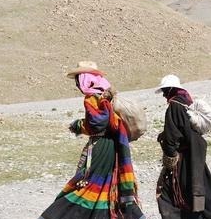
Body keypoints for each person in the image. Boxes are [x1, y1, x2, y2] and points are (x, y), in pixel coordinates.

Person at [39, 61, 145, 219]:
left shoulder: (91, 97)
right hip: (112, 146)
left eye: (78, 80)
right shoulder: (106, 95)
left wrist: (79, 125)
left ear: (84, 79)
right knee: (106, 185)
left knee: (86, 185)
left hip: (101, 148)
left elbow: (97, 123)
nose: (77, 84)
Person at [155, 74, 211, 219]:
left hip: (184, 155)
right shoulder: (186, 103)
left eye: (164, 91)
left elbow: (172, 134)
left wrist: (170, 156)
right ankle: (207, 212)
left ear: (170, 90)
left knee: (173, 189)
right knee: (198, 182)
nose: (163, 94)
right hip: (196, 152)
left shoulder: (174, 106)